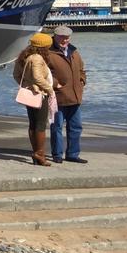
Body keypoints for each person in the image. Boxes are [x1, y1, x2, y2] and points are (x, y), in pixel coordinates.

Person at [46, 25, 88, 164]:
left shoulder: (74, 52)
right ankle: (57, 154)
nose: (65, 40)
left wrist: (82, 81)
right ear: (55, 36)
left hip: (75, 96)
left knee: (76, 127)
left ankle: (73, 154)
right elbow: (44, 73)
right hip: (57, 97)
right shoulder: (48, 52)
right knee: (56, 127)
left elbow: (82, 69)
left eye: (67, 37)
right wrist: (55, 84)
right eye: (61, 37)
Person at [13, 32, 56, 166]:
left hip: (30, 95)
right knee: (40, 125)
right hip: (39, 95)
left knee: (33, 124)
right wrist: (49, 89)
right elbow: (38, 77)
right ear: (44, 47)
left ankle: (36, 153)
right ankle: (39, 153)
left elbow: (16, 75)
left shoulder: (24, 56)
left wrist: (26, 85)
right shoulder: (37, 58)